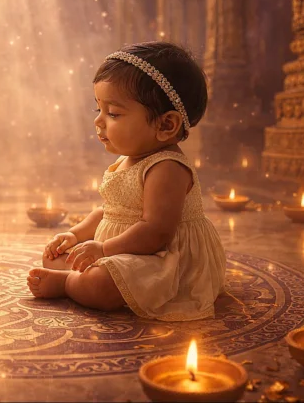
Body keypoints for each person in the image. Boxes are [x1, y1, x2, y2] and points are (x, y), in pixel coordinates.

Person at [27, 42, 225, 321]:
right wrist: (75, 235)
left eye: (114, 114)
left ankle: (67, 284)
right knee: (55, 257)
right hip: (124, 249)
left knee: (102, 284)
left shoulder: (167, 167)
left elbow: (156, 232)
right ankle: (78, 274)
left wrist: (103, 249)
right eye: (98, 109)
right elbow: (106, 213)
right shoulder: (129, 158)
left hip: (161, 258)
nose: (99, 121)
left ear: (166, 125)